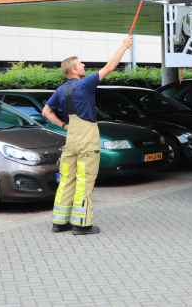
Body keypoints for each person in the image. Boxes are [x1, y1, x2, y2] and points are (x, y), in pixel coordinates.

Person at [43, 35, 133, 235]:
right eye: (80, 63)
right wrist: (124, 46)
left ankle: (59, 223)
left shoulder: (60, 90)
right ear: (74, 70)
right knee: (85, 179)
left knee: (67, 179)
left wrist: (64, 125)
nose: (84, 65)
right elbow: (109, 67)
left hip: (72, 137)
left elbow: (46, 112)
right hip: (86, 136)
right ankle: (82, 225)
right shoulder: (84, 84)